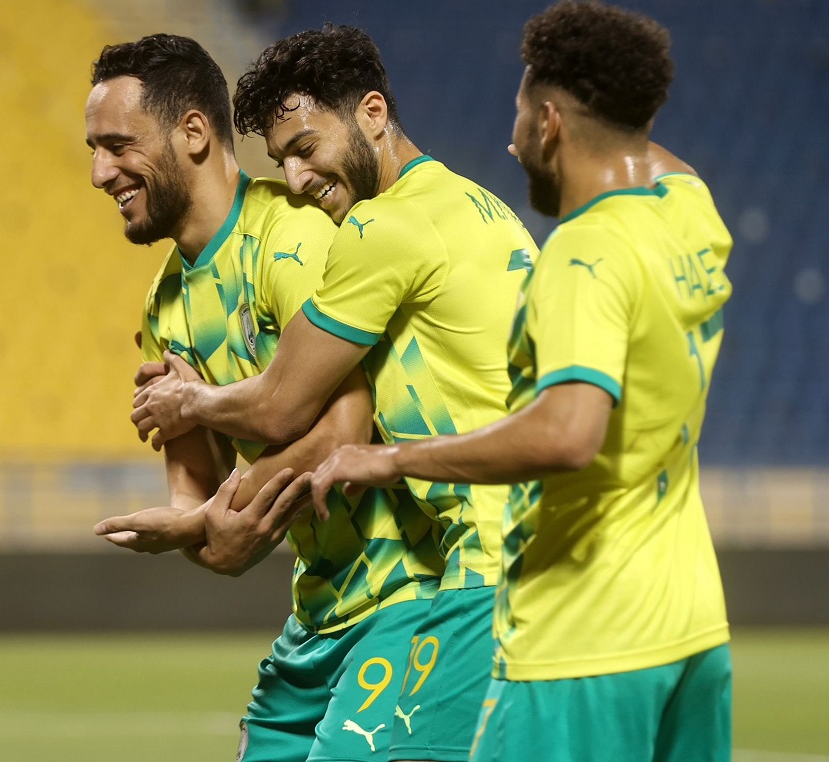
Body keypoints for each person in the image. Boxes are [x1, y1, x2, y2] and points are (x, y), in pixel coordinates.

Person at [310, 3, 734, 761]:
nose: (509, 143)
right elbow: (661, 159)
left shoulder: (581, 256)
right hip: (693, 629)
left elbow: (568, 432)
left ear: (549, 124)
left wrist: (392, 458)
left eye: (518, 119)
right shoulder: (687, 215)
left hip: (581, 639)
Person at [129, 24, 539, 762]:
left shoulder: (379, 229)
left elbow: (286, 405)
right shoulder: (479, 206)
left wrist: (191, 404)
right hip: (527, 549)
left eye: (306, 149)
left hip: (485, 559)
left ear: (374, 115)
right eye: (281, 160)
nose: (295, 181)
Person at [85, 33, 447, 762]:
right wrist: (194, 526)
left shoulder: (295, 237)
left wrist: (228, 503)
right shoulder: (164, 307)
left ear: (192, 131)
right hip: (319, 607)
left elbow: (348, 431)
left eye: (118, 145)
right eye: (94, 149)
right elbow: (204, 506)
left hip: (406, 591)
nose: (100, 173)